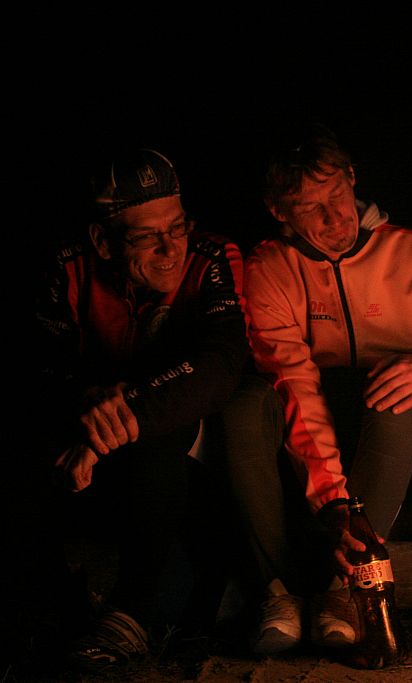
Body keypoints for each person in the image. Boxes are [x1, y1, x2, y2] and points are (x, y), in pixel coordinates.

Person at [237, 122, 412, 654]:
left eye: (337, 195)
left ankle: (346, 589)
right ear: (278, 211)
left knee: (399, 392)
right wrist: (334, 502)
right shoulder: (269, 268)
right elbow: (294, 384)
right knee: (245, 405)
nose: (334, 217)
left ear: (353, 178)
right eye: (310, 207)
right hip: (314, 426)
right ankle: (281, 591)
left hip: (399, 427)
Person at [33, 148, 250, 666]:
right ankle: (50, 603)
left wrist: (121, 411)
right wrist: (85, 404)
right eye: (146, 237)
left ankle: (131, 613)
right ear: (103, 241)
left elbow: (221, 363)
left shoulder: (211, 257)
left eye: (177, 227)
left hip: (184, 456)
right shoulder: (66, 266)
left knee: (160, 432)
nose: (170, 248)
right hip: (88, 453)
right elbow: (40, 366)